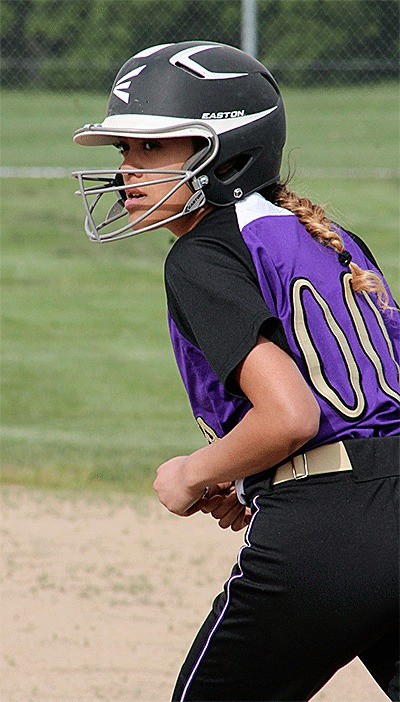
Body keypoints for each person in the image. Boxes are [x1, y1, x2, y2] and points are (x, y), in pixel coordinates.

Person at [73, 41, 399, 702]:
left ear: (227, 153)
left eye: (154, 149)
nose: (129, 171)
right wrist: (247, 469)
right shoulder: (324, 234)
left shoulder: (200, 255)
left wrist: (192, 471)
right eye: (125, 152)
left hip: (330, 529)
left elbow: (292, 415)